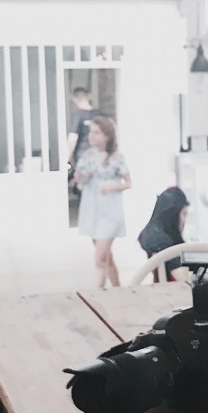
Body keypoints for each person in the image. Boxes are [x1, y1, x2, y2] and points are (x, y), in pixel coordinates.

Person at [74, 115, 131, 288]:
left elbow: (128, 183)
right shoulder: (87, 156)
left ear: (106, 135)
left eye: (97, 132)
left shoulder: (116, 157)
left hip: (110, 212)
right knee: (106, 257)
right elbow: (80, 180)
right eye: (91, 132)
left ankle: (96, 293)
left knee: (99, 259)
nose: (91, 136)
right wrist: (79, 176)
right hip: (92, 210)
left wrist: (111, 187)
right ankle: (118, 289)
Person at [137, 187, 189, 282]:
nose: (185, 220)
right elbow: (184, 280)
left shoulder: (152, 235)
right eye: (184, 214)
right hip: (177, 293)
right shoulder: (162, 243)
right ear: (173, 214)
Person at [66, 87, 102, 170]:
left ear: (75, 99)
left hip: (83, 155)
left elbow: (72, 139)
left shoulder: (78, 116)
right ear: (88, 97)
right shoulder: (99, 115)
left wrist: (66, 159)